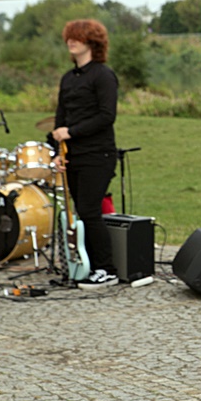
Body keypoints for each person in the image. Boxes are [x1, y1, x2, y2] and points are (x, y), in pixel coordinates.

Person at [50, 19, 119, 290]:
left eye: (77, 37)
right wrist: (58, 151)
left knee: (90, 212)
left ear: (92, 42)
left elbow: (106, 116)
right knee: (80, 213)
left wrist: (72, 132)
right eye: (69, 37)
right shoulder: (68, 78)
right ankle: (86, 265)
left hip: (98, 156)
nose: (71, 41)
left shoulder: (102, 75)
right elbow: (60, 117)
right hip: (73, 157)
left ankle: (107, 270)